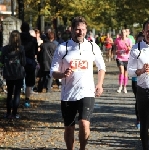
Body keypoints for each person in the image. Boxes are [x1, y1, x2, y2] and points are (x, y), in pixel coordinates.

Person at [50, 16, 106, 150]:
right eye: (77, 29)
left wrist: (99, 84)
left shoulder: (92, 46)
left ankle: (82, 148)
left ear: (86, 30)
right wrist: (62, 74)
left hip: (87, 91)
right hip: (68, 94)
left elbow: (101, 67)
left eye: (82, 29)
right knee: (69, 128)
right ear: (72, 30)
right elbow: (52, 71)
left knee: (84, 123)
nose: (80, 32)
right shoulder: (63, 48)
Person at [127, 20, 149, 150]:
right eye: (148, 31)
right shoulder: (137, 48)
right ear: (143, 32)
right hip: (143, 90)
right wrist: (140, 71)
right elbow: (129, 71)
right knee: (144, 124)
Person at [1, 30, 26, 119]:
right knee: (17, 94)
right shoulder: (21, 49)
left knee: (9, 93)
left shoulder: (4, 49)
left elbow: (2, 61)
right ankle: (14, 113)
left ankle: (8, 113)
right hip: (18, 73)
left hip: (8, 73)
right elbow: (23, 62)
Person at [20, 22, 37, 108]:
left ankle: (16, 98)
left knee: (18, 80)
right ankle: (27, 100)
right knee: (29, 83)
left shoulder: (17, 38)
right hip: (30, 61)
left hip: (19, 62)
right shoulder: (33, 39)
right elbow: (36, 51)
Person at [131, 32, 144, 129]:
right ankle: (139, 119)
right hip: (136, 80)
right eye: (139, 41)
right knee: (138, 100)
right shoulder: (135, 50)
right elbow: (131, 68)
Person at [114, 29, 132, 93]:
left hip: (127, 58)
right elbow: (114, 46)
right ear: (120, 33)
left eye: (124, 32)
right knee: (121, 72)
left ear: (126, 33)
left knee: (125, 73)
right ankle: (120, 86)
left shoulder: (129, 40)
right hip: (120, 58)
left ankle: (125, 87)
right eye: (122, 32)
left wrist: (128, 47)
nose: (123, 34)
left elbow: (130, 49)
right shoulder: (117, 40)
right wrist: (115, 51)